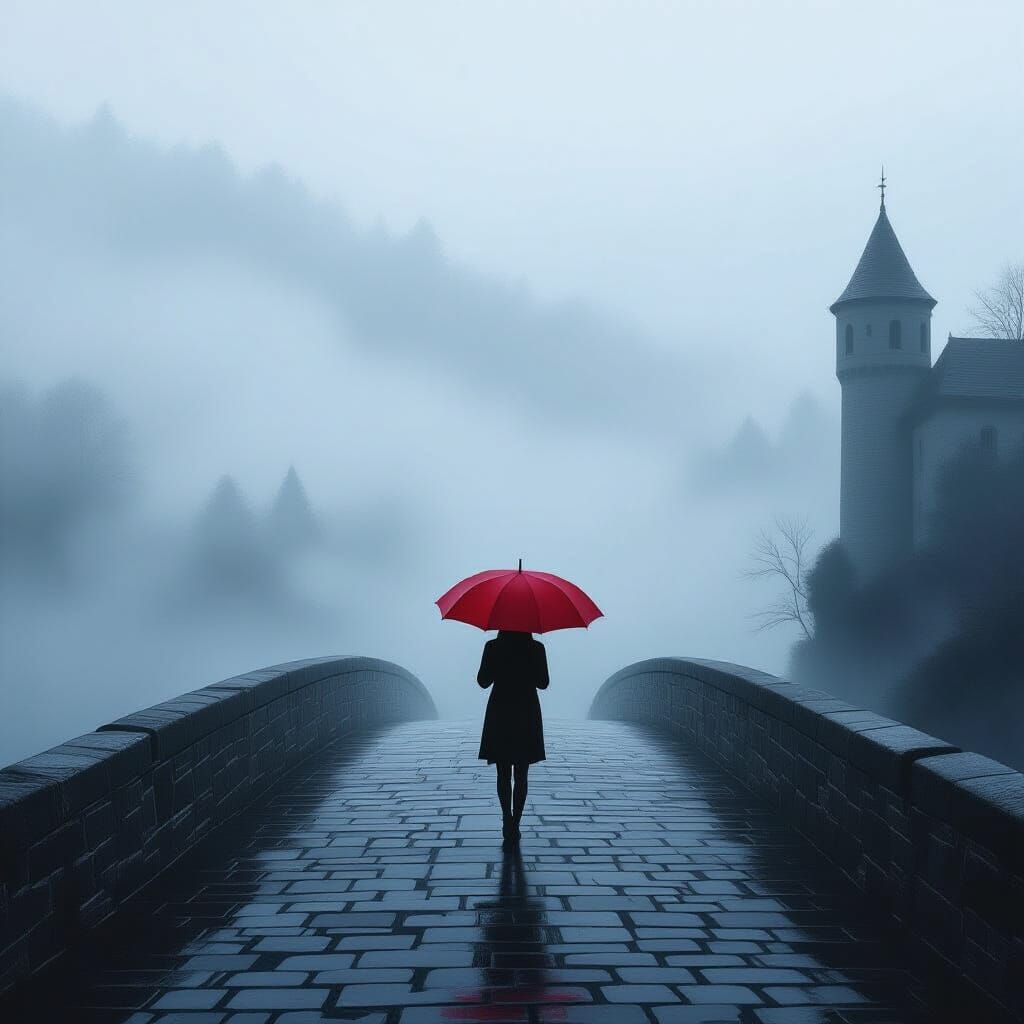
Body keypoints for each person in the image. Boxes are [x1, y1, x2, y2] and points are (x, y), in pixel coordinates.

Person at [476, 629, 549, 842]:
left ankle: (506, 819)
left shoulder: (493, 646)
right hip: (526, 712)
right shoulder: (536, 648)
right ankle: (516, 823)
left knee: (503, 772)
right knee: (522, 774)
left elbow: (483, 681)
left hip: (500, 711)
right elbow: (543, 683)